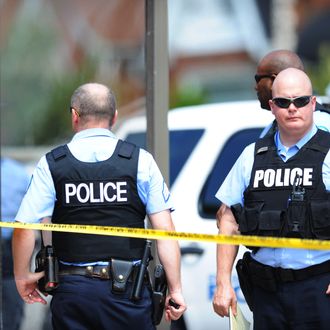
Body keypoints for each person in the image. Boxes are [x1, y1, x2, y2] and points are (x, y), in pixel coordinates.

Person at [12, 82, 186, 329]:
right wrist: (175, 288)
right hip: (128, 293)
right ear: (114, 116)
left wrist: (22, 276)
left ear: (74, 115)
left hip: (74, 293)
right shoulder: (140, 161)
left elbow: (24, 228)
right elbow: (165, 232)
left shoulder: (52, 164)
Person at [212, 68, 330, 329]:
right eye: (283, 102)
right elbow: (228, 220)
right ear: (272, 106)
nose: (292, 108)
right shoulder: (252, 155)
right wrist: (223, 283)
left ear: (312, 103)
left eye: (300, 101)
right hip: (266, 293)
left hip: (318, 290)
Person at [254, 49, 330, 137]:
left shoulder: (321, 127)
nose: (256, 87)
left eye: (258, 79)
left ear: (274, 80)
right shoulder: (272, 128)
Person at [1, 157, 30, 330]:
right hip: (10, 249)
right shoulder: (19, 173)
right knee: (12, 310)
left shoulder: (18, 173)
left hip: (9, 250)